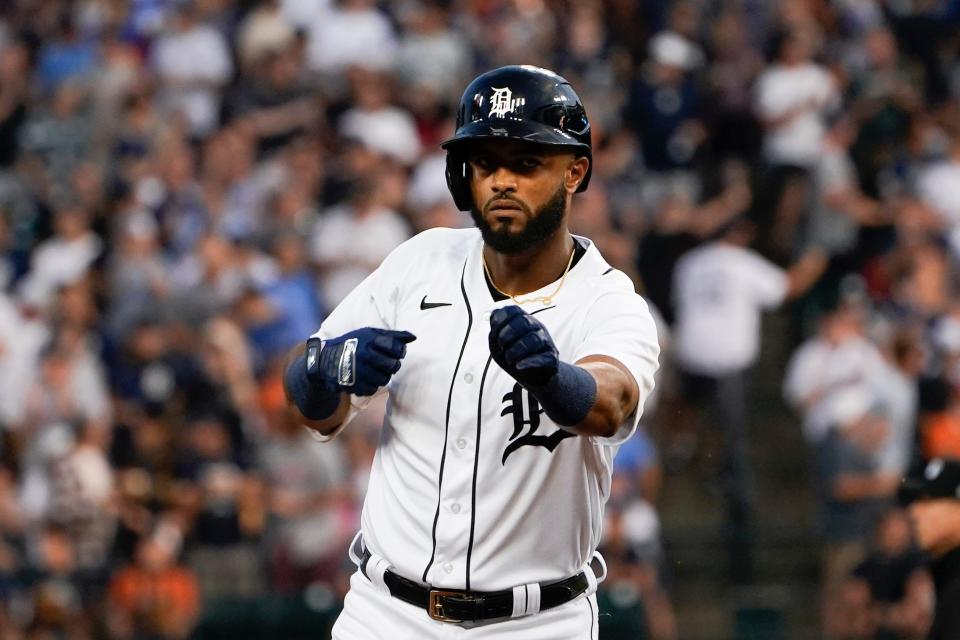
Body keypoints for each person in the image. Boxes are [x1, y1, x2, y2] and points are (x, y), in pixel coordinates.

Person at [282, 65, 660, 637]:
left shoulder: (607, 300)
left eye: (526, 163)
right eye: (486, 163)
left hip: (536, 623)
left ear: (575, 172)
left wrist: (556, 379)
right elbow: (314, 403)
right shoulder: (420, 261)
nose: (502, 180)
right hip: (387, 616)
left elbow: (614, 403)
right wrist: (325, 371)